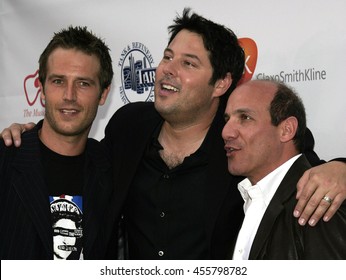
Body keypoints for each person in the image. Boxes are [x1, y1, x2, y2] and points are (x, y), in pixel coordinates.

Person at [1, 8, 346, 259]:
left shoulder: (240, 145)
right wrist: (28, 135)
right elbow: (67, 153)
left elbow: (299, 167)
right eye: (168, 56)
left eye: (188, 63)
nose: (167, 69)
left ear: (222, 83)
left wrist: (342, 168)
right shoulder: (128, 126)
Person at [0, 26, 117, 259]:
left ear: (103, 94)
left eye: (83, 83)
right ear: (42, 88)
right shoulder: (6, 159)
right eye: (58, 81)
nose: (69, 95)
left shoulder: (112, 168)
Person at [222, 79, 346, 259]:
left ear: (286, 130)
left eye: (245, 118)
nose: (226, 132)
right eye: (227, 119)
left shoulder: (319, 203)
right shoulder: (238, 204)